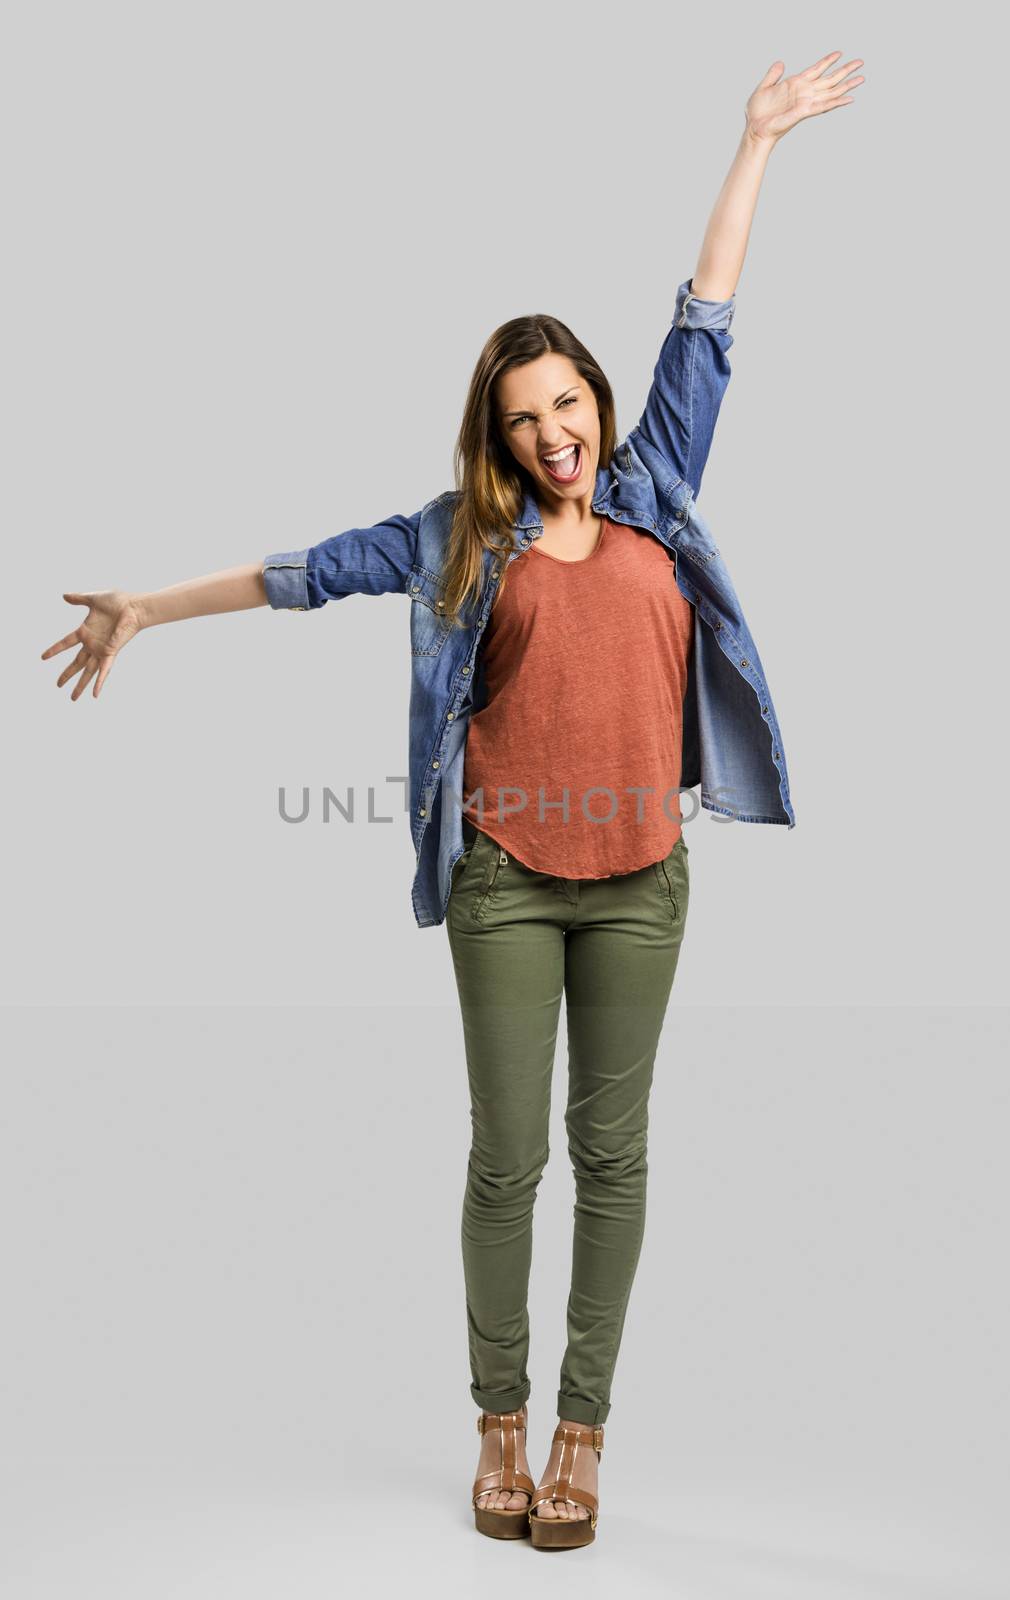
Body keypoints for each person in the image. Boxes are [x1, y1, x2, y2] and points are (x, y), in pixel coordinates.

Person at [41, 50, 863, 1552]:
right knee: (510, 1158)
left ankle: (580, 1436)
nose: (554, 432)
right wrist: (149, 609)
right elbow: (302, 574)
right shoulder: (454, 538)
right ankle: (494, 1426)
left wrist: (753, 143)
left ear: (597, 404)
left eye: (568, 403)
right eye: (523, 418)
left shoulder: (657, 486)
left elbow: (709, 312)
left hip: (640, 883)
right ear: (493, 437)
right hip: (501, 879)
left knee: (614, 1160)